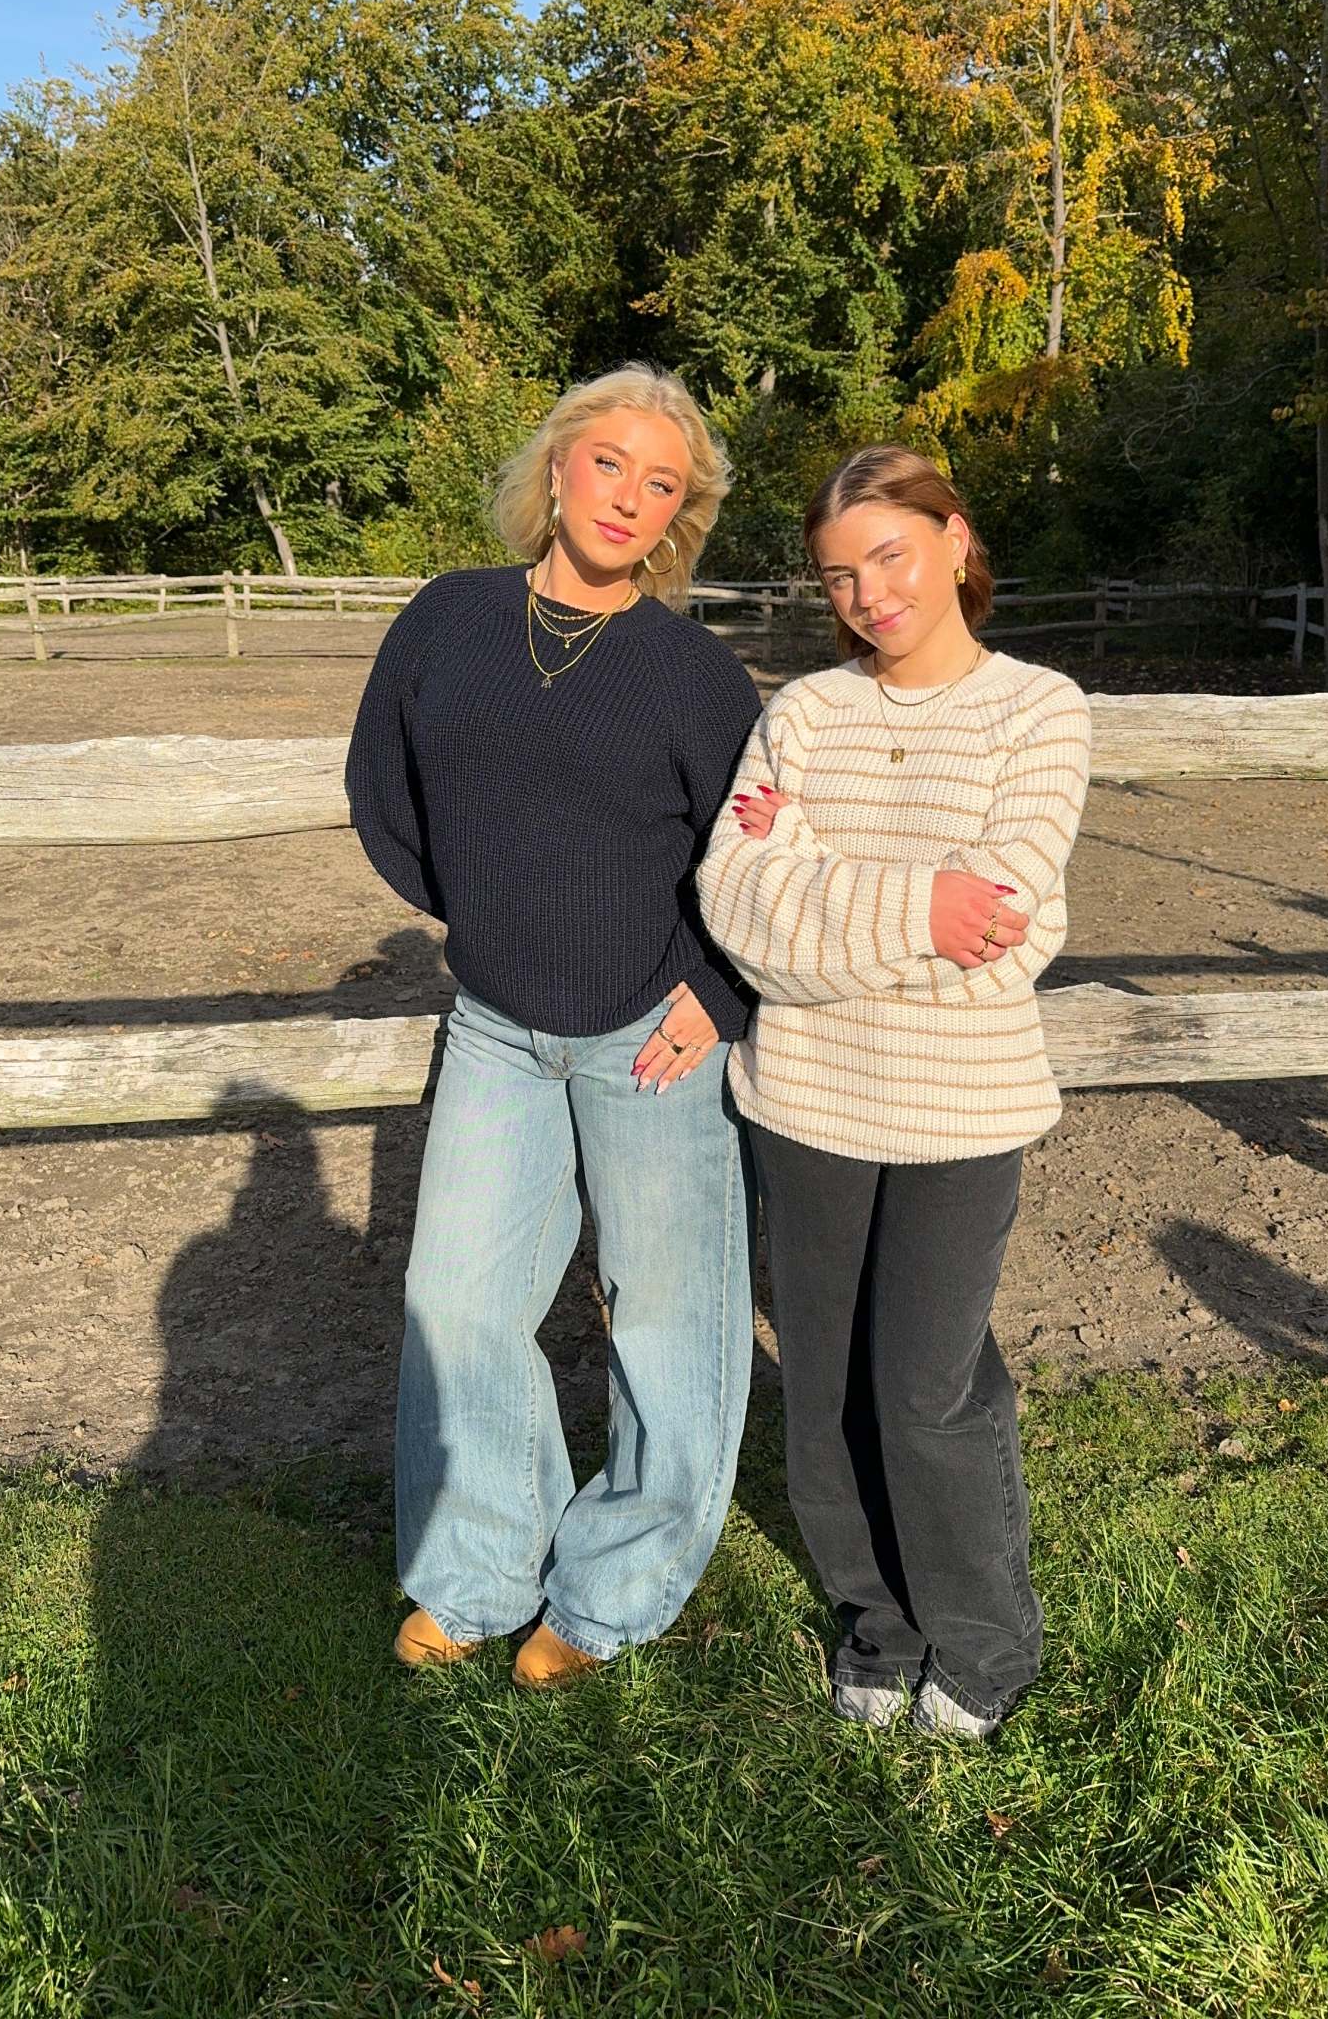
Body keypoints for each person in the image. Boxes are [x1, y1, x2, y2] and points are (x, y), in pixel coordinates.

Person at [345, 364, 760, 1689]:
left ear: (681, 515)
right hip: (498, 1029)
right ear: (558, 467)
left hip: (653, 1035)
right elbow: (384, 786)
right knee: (456, 1302)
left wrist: (723, 991)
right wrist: (485, 909)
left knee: (669, 1324)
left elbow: (762, 860)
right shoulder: (450, 619)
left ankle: (612, 1593)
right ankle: (477, 1571)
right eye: (611, 464)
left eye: (663, 484)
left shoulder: (694, 674)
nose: (629, 497)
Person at [696, 444, 1090, 1740]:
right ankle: (880, 1622)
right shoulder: (803, 715)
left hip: (959, 1113)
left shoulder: (1039, 713)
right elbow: (739, 904)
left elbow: (1011, 931)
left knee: (926, 1388)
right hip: (808, 1105)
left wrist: (823, 894)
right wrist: (924, 905)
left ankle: (983, 1642)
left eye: (891, 556)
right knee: (823, 1392)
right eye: (839, 576)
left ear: (955, 542)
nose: (870, 594)